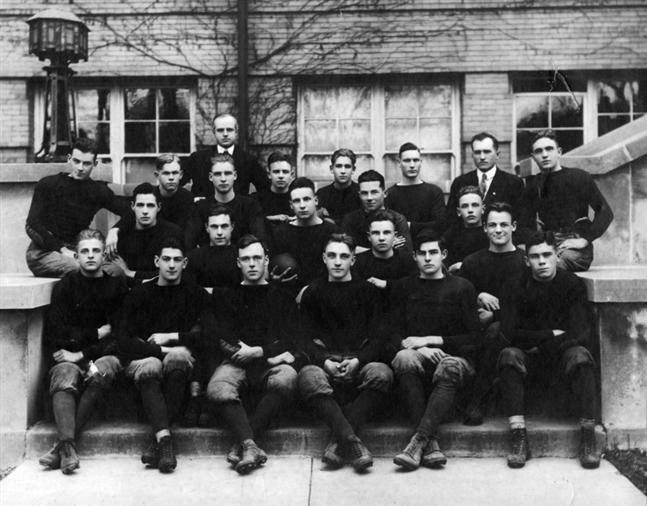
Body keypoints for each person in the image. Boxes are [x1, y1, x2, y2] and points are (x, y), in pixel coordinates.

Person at [497, 231, 600, 469]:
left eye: (547, 255)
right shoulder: (514, 285)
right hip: (529, 360)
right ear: (526, 260)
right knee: (509, 355)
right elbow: (509, 334)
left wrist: (539, 344)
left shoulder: (571, 285)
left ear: (557, 256)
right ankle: (519, 436)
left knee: (581, 355)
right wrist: (549, 334)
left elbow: (580, 333)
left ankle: (587, 436)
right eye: (535, 257)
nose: (542, 261)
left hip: (558, 359)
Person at [297, 234, 393, 472]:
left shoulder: (368, 292)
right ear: (324, 259)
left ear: (353, 260)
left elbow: (379, 337)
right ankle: (352, 441)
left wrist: (359, 360)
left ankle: (337, 442)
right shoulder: (313, 292)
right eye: (332, 256)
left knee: (382, 374)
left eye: (343, 256)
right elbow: (302, 338)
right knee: (308, 377)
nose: (337, 262)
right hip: (325, 361)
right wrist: (325, 361)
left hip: (358, 360)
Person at [206, 235, 302, 475]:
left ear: (266, 260)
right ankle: (250, 445)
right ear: (238, 263)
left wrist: (260, 351)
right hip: (236, 361)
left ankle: (243, 442)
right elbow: (221, 332)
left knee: (287, 378)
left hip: (270, 361)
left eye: (256, 258)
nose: (251, 264)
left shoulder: (281, 296)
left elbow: (292, 337)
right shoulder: (226, 296)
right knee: (218, 387)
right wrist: (241, 350)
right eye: (245, 259)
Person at [117, 237, 214, 473]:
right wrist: (161, 350)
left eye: (177, 260)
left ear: (185, 263)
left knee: (179, 357)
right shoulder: (140, 293)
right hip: (145, 366)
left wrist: (173, 337)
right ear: (156, 261)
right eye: (166, 259)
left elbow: (210, 336)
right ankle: (165, 439)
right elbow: (123, 340)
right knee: (152, 364)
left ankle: (160, 439)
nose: (171, 265)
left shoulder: (196, 293)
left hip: (179, 372)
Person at [38, 229, 128, 474]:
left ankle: (62, 446)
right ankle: (68, 448)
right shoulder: (65, 287)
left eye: (96, 251)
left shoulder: (115, 286)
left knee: (104, 366)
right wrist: (96, 333)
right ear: (76, 256)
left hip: (101, 356)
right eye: (85, 252)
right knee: (64, 372)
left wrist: (83, 353)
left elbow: (119, 334)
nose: (90, 256)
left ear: (103, 256)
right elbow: (56, 333)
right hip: (70, 356)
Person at [388, 231, 479, 471]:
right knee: (403, 357)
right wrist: (418, 347)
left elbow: (474, 338)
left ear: (444, 255)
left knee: (450, 366)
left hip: (453, 359)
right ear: (414, 257)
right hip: (416, 360)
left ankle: (418, 440)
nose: (428, 258)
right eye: (422, 253)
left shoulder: (462, 287)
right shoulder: (404, 287)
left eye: (433, 253)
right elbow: (390, 333)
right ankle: (430, 443)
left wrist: (432, 341)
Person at [457, 202, 526, 425]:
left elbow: (530, 304)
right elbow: (460, 303)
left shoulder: (525, 261)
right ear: (485, 228)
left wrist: (496, 316)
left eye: (504, 224)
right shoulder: (472, 262)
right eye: (492, 225)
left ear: (514, 226)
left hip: (518, 332)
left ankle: (477, 399)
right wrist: (477, 296)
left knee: (496, 330)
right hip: (477, 330)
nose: (498, 230)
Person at [25, 138, 127, 277]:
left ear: (95, 164)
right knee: (82, 268)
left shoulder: (97, 191)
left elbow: (129, 211)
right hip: (43, 253)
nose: (80, 167)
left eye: (86, 163)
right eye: (76, 161)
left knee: (115, 271)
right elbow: (32, 223)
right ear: (69, 159)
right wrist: (61, 250)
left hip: (78, 250)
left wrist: (115, 230)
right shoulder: (48, 184)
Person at [519, 129, 613, 271]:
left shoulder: (579, 177)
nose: (544, 155)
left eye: (549, 149)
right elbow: (523, 225)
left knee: (551, 264)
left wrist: (585, 239)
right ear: (533, 157)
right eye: (539, 151)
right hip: (546, 243)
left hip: (574, 248)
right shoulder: (533, 184)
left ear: (559, 152)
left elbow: (605, 212)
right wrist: (538, 241)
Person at [105, 153, 194, 256]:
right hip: (151, 244)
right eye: (166, 173)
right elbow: (131, 215)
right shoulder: (150, 195)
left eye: (175, 173)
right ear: (157, 175)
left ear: (181, 175)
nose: (171, 178)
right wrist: (114, 230)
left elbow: (186, 233)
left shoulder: (187, 198)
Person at [445, 132, 524, 232]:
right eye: (477, 152)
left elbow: (521, 219)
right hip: (468, 242)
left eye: (487, 152)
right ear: (472, 155)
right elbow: (451, 219)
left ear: (497, 155)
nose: (482, 157)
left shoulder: (513, 183)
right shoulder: (460, 182)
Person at [104, 183, 184, 281]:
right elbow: (110, 269)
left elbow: (174, 272)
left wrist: (129, 273)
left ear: (158, 207)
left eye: (150, 205)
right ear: (133, 206)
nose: (145, 211)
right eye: (140, 205)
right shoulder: (121, 233)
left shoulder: (172, 232)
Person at [185, 153, 266, 249]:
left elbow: (260, 242)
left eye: (227, 173)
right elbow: (189, 245)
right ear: (210, 177)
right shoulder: (200, 208)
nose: (223, 179)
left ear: (235, 175)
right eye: (218, 174)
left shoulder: (250, 206)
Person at [270, 177, 338, 287]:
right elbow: (272, 267)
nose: (302, 205)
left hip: (322, 292)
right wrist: (274, 277)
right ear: (291, 205)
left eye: (306, 199)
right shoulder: (280, 233)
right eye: (297, 201)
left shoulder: (331, 231)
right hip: (289, 291)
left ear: (315, 200)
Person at [181, 113, 268, 198]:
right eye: (220, 130)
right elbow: (175, 184)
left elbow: (266, 188)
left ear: (236, 132)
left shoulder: (248, 160)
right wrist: (192, 200)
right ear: (214, 132)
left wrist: (247, 202)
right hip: (205, 211)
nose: (225, 134)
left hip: (236, 211)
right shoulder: (198, 158)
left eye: (229, 130)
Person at [341, 170, 412, 254]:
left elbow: (405, 253)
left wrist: (361, 250)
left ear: (385, 193)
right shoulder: (350, 219)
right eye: (364, 193)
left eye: (374, 192)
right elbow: (347, 251)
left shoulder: (398, 219)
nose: (369, 198)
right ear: (359, 195)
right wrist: (386, 248)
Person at [385, 142, 446, 236]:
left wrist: (409, 226)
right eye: (407, 160)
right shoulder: (390, 194)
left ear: (421, 162)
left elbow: (440, 225)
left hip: (427, 247)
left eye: (416, 160)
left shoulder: (434, 192)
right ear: (399, 163)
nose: (412, 165)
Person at [353, 210, 417, 294]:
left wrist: (387, 284)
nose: (381, 238)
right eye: (376, 233)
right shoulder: (358, 262)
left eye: (386, 232)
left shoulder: (407, 260)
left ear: (394, 236)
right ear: (369, 237)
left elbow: (415, 286)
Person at [185, 205, 240, 288]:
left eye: (224, 226)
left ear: (232, 227)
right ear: (207, 228)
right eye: (214, 227)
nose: (219, 232)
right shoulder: (194, 257)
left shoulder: (242, 255)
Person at [442, 185, 489, 272]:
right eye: (465, 206)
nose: (470, 210)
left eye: (475, 205)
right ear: (458, 212)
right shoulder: (450, 236)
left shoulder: (490, 234)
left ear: (483, 209)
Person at [316, 148, 361, 226]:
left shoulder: (361, 192)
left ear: (353, 170)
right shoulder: (322, 194)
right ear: (331, 169)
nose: (343, 171)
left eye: (347, 166)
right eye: (339, 166)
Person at [252, 151, 295, 223]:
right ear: (269, 174)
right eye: (276, 172)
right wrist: (273, 218)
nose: (281, 176)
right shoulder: (257, 200)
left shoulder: (297, 199)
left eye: (285, 172)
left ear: (292, 174)